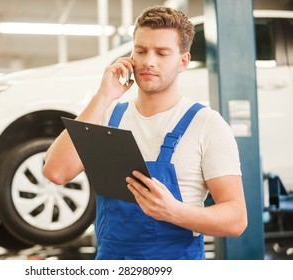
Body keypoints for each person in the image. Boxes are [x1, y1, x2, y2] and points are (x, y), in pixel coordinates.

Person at [43, 5, 247, 260]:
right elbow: (56, 172)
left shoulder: (206, 124)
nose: (149, 61)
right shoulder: (108, 116)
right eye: (141, 50)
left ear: (183, 61)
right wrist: (104, 96)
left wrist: (173, 211)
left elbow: (236, 219)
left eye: (162, 53)